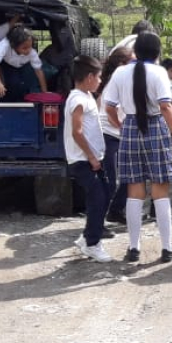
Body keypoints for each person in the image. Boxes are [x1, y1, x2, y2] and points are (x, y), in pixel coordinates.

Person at [113, 33, 172, 264]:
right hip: (156, 127)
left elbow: (109, 106)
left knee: (134, 191)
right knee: (160, 190)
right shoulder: (159, 72)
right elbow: (165, 106)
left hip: (130, 127)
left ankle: (133, 248)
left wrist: (123, 126)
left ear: (136, 51)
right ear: (157, 53)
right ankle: (167, 248)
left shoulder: (120, 72)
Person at [64, 56, 113, 263]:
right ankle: (93, 243)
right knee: (97, 198)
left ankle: (87, 238)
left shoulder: (87, 96)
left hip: (93, 157)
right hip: (82, 160)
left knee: (105, 193)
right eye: (99, 77)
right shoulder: (77, 100)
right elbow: (77, 132)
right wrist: (91, 156)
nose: (100, 81)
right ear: (90, 76)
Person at [100, 44, 132, 223]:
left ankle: (115, 210)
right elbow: (110, 109)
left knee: (129, 176)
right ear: (121, 64)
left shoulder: (118, 80)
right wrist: (121, 126)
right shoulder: (116, 81)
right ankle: (97, 222)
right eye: (131, 62)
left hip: (118, 134)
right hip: (109, 134)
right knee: (110, 181)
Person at [0, 25, 48, 102]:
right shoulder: (5, 45)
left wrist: (45, 92)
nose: (28, 50)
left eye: (30, 46)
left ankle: (10, 101)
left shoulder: (32, 53)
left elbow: (39, 71)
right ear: (14, 46)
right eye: (24, 48)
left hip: (12, 64)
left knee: (15, 84)